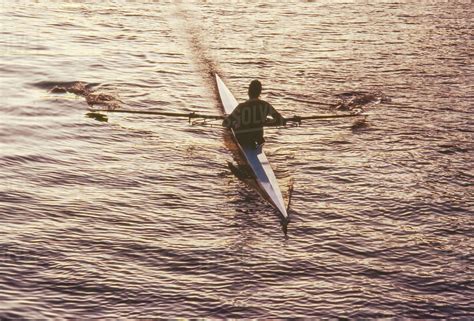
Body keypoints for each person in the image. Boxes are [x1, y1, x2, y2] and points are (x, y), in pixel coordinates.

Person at [222, 80, 285, 147]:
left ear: (249, 92)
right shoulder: (266, 105)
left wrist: (235, 122)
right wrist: (266, 121)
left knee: (232, 126)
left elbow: (225, 123)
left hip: (243, 139)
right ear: (260, 92)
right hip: (257, 139)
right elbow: (281, 121)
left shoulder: (242, 106)